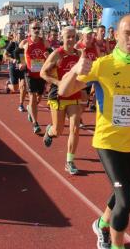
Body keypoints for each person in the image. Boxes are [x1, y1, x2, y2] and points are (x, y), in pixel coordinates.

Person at [58, 15, 130, 249]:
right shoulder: (103, 65)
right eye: (127, 33)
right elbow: (63, 90)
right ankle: (116, 245)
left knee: (122, 191)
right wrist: (74, 71)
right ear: (116, 35)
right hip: (108, 142)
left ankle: (102, 224)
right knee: (126, 198)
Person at [40, 26, 85, 175]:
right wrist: (59, 83)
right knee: (58, 131)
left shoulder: (79, 54)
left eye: (73, 36)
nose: (71, 39)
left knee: (75, 128)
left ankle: (70, 161)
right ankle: (50, 130)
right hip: (58, 95)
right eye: (68, 37)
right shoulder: (56, 54)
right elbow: (42, 73)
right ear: (62, 37)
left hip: (74, 95)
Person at [20, 22, 50, 134]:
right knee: (32, 98)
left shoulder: (44, 42)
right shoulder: (25, 42)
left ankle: (30, 110)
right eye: (34, 28)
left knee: (38, 98)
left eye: (38, 28)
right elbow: (18, 52)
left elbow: (50, 52)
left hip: (41, 74)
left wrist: (48, 56)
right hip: (30, 74)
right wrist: (22, 62)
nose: (36, 30)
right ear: (30, 30)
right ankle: (35, 124)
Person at [5, 30, 27, 110]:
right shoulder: (13, 44)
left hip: (23, 68)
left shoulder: (26, 44)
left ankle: (21, 104)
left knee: (23, 86)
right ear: (15, 35)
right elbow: (5, 55)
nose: (21, 35)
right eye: (19, 34)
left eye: (22, 33)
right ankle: (8, 85)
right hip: (14, 67)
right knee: (15, 88)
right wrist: (12, 60)